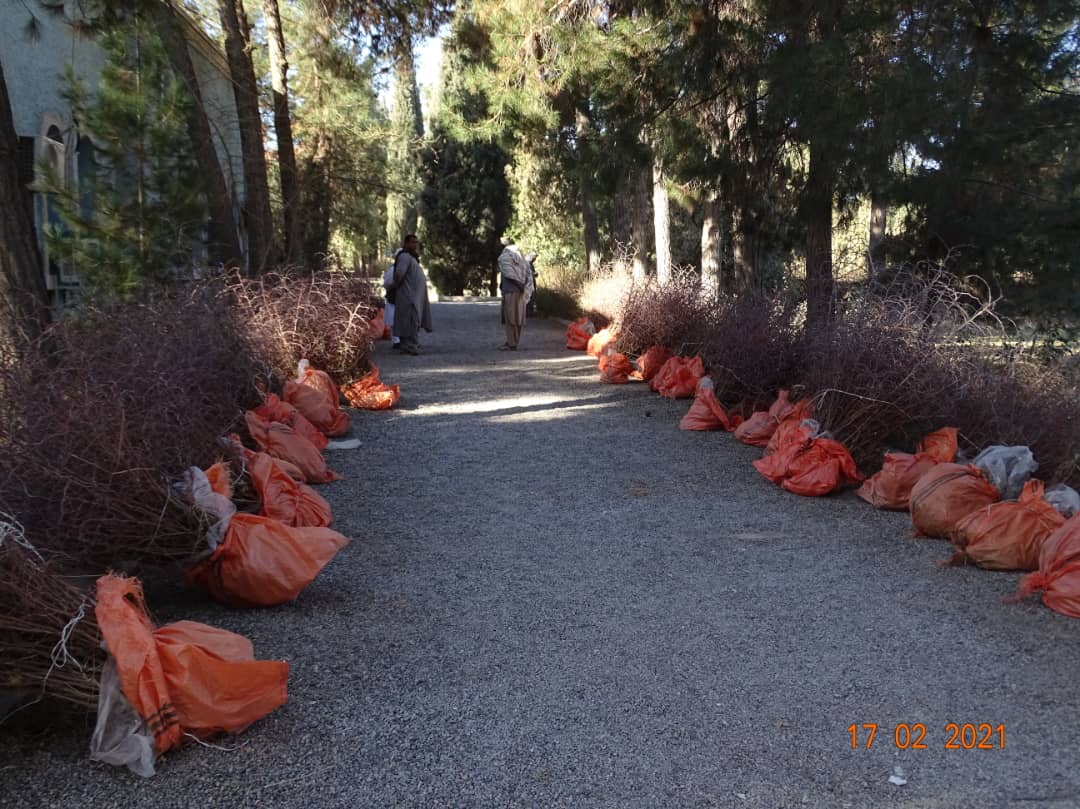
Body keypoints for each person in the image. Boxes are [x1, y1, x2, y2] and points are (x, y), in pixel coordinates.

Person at [387, 234, 432, 355]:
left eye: (416, 242)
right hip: (407, 295)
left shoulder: (412, 257)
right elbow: (400, 273)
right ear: (406, 243)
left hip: (412, 294)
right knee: (408, 319)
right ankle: (409, 346)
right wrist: (394, 285)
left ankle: (410, 345)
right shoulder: (405, 256)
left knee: (412, 319)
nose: (415, 245)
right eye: (412, 242)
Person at [497, 237, 533, 350]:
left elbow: (509, 274)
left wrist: (519, 286)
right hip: (521, 291)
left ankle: (511, 343)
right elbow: (527, 272)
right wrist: (524, 287)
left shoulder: (505, 257)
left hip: (511, 290)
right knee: (518, 318)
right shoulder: (520, 256)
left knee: (510, 318)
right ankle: (514, 342)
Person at [382, 248, 402, 349]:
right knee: (394, 320)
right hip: (394, 298)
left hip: (404, 299)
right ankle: (396, 340)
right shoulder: (392, 270)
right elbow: (386, 284)